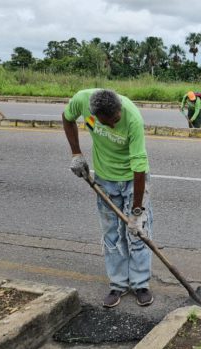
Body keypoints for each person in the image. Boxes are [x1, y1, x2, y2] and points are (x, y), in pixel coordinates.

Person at [62, 88, 154, 309]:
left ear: (119, 109)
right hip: (105, 179)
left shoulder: (132, 118)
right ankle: (118, 284)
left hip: (133, 179)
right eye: (108, 123)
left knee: (138, 233)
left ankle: (141, 284)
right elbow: (67, 118)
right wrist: (76, 153)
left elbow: (139, 167)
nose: (113, 125)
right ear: (94, 114)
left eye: (115, 120)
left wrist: (137, 212)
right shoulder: (82, 100)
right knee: (112, 234)